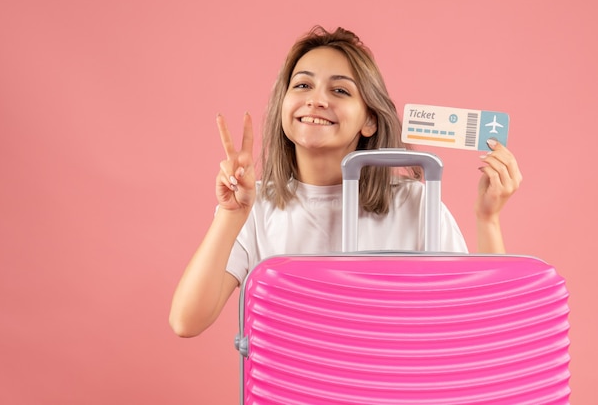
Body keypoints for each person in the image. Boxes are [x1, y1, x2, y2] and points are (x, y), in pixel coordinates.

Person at [169, 26, 522, 338]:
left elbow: (483, 325)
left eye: (340, 91)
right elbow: (187, 321)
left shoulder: (415, 203)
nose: (316, 99)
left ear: (369, 120)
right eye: (303, 84)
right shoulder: (256, 207)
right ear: (283, 106)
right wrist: (231, 215)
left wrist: (487, 219)